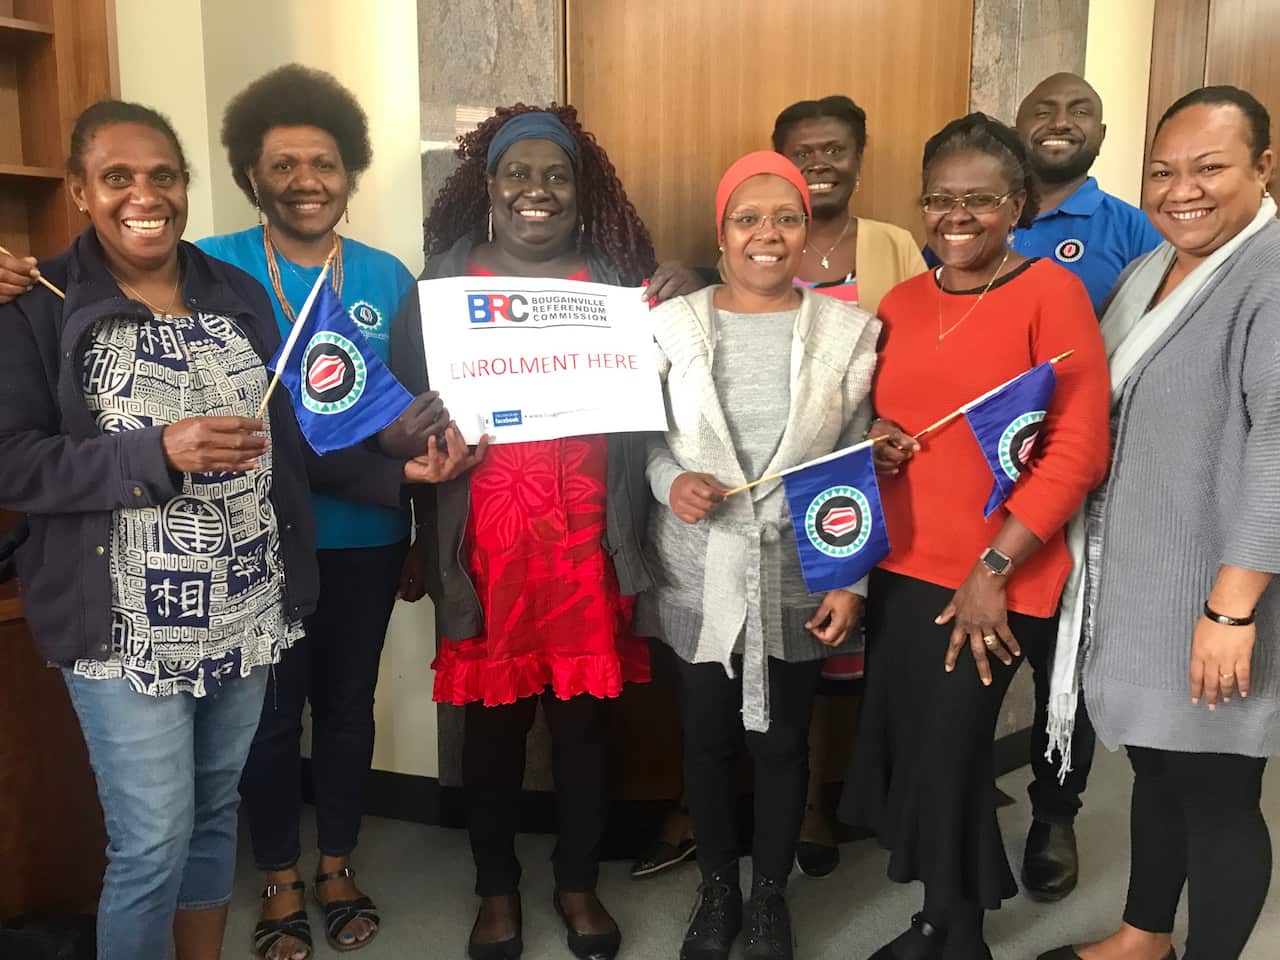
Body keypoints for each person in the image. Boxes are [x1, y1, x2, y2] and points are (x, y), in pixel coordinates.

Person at [0, 100, 473, 960]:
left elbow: (287, 444)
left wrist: (396, 474)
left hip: (247, 613)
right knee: (150, 843)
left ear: (186, 187)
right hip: (125, 631)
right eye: (116, 178)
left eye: (162, 176)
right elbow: (15, 465)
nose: (144, 195)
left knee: (215, 816)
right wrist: (157, 452)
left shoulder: (238, 295)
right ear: (78, 192)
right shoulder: (40, 304)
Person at [388, 104, 700, 960]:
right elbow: (390, 422)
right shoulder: (437, 291)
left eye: (555, 176)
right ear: (488, 187)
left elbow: (694, 360)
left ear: (578, 190)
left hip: (585, 547)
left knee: (582, 731)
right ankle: (497, 893)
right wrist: (412, 458)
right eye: (518, 174)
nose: (537, 190)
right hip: (483, 551)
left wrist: (692, 281)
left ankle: (576, 883)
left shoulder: (618, 291)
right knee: (489, 733)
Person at [838, 113, 1109, 959]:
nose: (958, 217)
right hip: (905, 561)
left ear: (1017, 202)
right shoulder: (904, 302)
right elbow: (893, 407)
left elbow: (1077, 448)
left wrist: (996, 564)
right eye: (940, 200)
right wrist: (882, 427)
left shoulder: (1049, 294)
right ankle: (943, 921)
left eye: (981, 200)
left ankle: (957, 935)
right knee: (920, 755)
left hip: (997, 575)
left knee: (952, 754)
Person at [1038, 86, 1280, 960]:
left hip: (1216, 589)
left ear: (1264, 166)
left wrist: (1231, 610)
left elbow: (1277, 452)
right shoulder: (1156, 267)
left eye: (1211, 168)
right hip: (1140, 580)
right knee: (1156, 764)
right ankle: (1144, 937)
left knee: (1217, 792)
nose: (1184, 190)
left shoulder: (1269, 272)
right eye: (1164, 172)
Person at [638, 150, 879, 960]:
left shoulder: (849, 333)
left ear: (806, 231)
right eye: (748, 218)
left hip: (798, 573)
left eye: (784, 218)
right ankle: (717, 890)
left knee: (782, 745)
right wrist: (672, 481)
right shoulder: (671, 324)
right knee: (705, 739)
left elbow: (853, 464)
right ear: (722, 232)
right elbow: (644, 442)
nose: (766, 235)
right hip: (696, 571)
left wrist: (851, 579)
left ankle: (769, 895)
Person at [1008, 70, 1164, 904]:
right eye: (1045, 108)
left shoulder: (1135, 231)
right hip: (977, 489)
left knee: (1063, 661)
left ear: (1104, 133)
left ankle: (1054, 813)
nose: (1062, 121)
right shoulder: (977, 213)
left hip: (1084, 487)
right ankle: (947, 810)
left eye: (1081, 111)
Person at [772, 93, 927, 879]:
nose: (820, 164)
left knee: (848, 659)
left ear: (859, 157)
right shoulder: (767, 239)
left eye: (835, 149)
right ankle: (796, 805)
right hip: (778, 488)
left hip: (873, 478)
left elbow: (926, 347)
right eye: (805, 150)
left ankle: (837, 800)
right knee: (791, 650)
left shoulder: (898, 244)